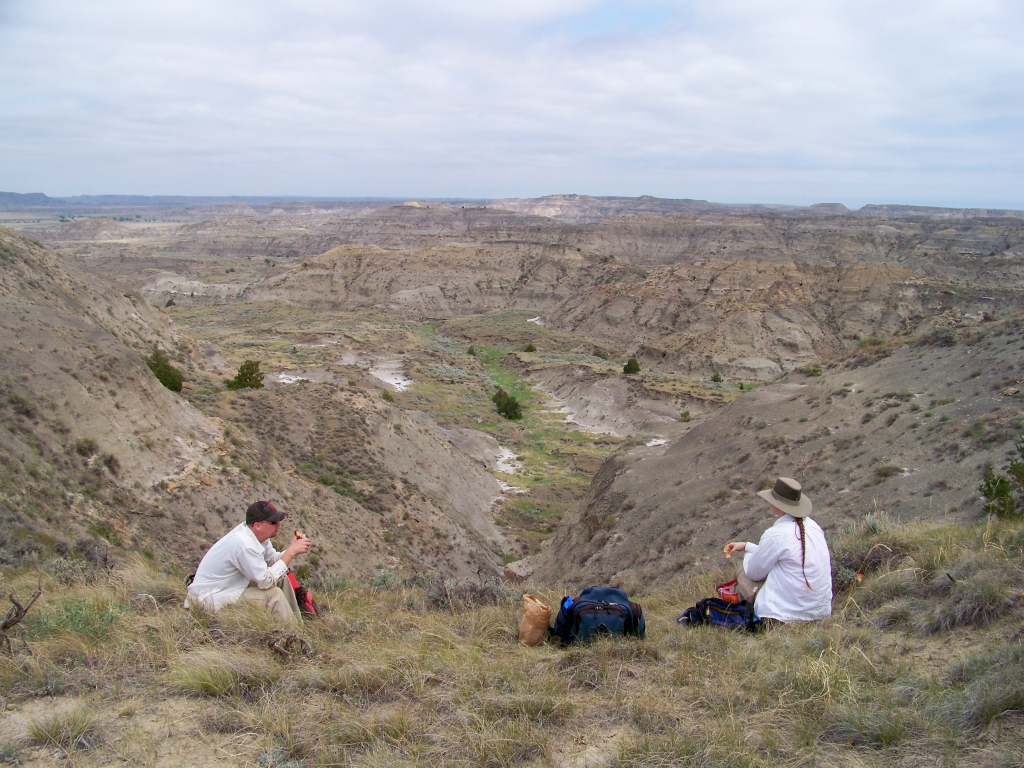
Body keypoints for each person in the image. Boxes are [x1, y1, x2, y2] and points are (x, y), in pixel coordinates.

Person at [723, 477, 832, 623]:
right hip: (820, 611)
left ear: (778, 505)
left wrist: (748, 554)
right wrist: (747, 546)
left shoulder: (775, 534)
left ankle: (731, 599)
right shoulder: (813, 527)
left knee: (742, 570)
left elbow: (754, 573)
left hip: (782, 614)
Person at [185, 500, 311, 623]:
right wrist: (291, 552)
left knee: (281, 577)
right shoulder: (244, 543)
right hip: (209, 600)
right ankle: (294, 637)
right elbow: (265, 581)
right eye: (273, 522)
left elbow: (272, 559)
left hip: (230, 587)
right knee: (274, 595)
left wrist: (292, 549)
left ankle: (298, 625)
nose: (278, 524)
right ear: (257, 525)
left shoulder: (255, 534)